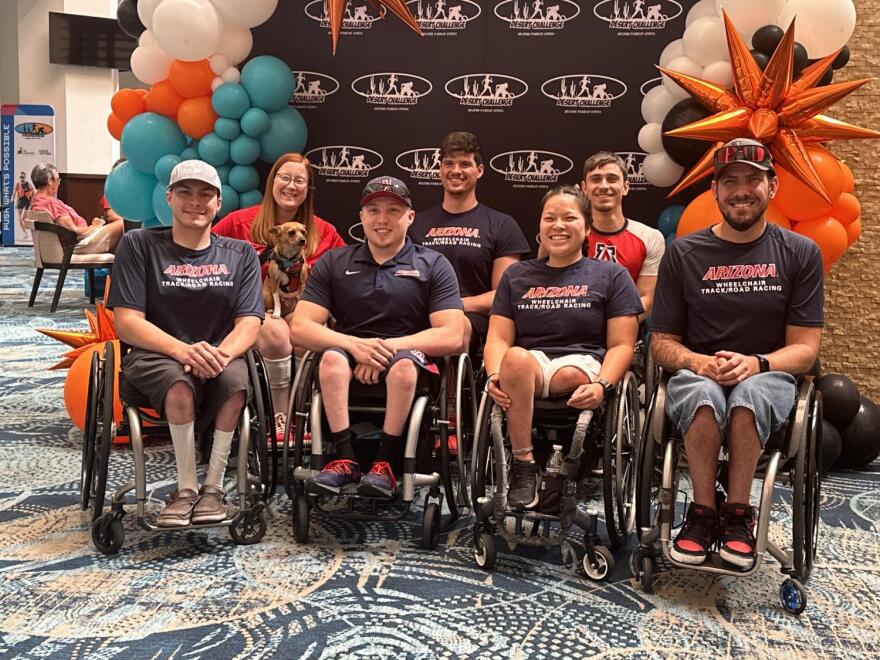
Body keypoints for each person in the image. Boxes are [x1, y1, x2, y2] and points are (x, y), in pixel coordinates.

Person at [651, 138, 824, 569]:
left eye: (752, 180)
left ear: (773, 187)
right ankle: (703, 514)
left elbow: (805, 349)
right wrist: (698, 362)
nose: (741, 190)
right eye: (730, 181)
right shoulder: (682, 254)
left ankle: (739, 515)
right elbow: (660, 342)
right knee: (701, 393)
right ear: (714, 191)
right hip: (700, 371)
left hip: (768, 372)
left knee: (750, 397)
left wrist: (756, 364)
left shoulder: (801, 253)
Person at [107, 160, 264, 527]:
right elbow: (128, 323)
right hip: (156, 354)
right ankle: (186, 488)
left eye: (206, 194)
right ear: (169, 198)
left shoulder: (240, 254)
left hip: (219, 354)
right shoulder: (139, 244)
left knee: (236, 384)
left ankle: (213, 488)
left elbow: (250, 322)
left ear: (218, 203)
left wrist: (220, 354)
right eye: (185, 193)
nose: (196, 202)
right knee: (178, 384)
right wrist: (182, 351)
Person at [290, 176, 464, 497]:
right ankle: (344, 458)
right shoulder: (335, 261)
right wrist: (355, 347)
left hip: (409, 359)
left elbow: (453, 335)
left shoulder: (433, 263)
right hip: (346, 359)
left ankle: (385, 462)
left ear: (410, 217)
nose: (382, 219)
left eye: (393, 210)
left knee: (402, 368)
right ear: (361, 217)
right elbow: (300, 327)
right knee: (330, 359)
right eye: (373, 210)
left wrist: (382, 349)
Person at [484, 186, 642, 510]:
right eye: (549, 218)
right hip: (530, 364)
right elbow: (498, 338)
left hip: (584, 361)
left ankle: (569, 463)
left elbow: (622, 344)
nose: (558, 226)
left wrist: (603, 385)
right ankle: (524, 464)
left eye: (569, 218)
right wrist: (496, 375)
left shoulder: (612, 275)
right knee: (513, 356)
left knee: (571, 374)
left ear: (586, 228)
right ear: (539, 228)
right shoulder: (517, 275)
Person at [213, 153, 346, 441]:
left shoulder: (324, 231)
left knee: (304, 330)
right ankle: (279, 417)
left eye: (300, 180)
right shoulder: (238, 223)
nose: (291, 185)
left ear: (307, 189)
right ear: (273, 180)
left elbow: (346, 274)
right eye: (284, 177)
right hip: (256, 312)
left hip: (303, 309)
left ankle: (304, 416)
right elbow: (206, 254)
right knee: (276, 333)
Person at [409, 131, 531, 352]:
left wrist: (453, 306)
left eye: (465, 164)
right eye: (449, 163)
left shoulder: (502, 225)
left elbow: (504, 293)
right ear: (440, 170)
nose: (456, 171)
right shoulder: (415, 224)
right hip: (418, 314)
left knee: (456, 328)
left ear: (479, 171)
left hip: (471, 319)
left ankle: (448, 387)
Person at [538, 152, 664, 319]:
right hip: (568, 330)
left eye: (612, 179)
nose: (604, 186)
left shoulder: (649, 237)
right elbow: (543, 285)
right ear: (584, 188)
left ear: (625, 187)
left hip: (623, 334)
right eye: (596, 179)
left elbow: (645, 301)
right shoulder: (565, 233)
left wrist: (609, 329)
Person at [27, 163, 123, 253]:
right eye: (58, 179)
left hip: (69, 245)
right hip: (76, 246)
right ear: (49, 180)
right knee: (123, 223)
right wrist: (95, 226)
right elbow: (76, 233)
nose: (59, 183)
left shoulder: (36, 200)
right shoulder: (50, 203)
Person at [13, 172, 33, 239]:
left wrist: (31, 197)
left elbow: (32, 192)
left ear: (25, 177)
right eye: (21, 177)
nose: (22, 178)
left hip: (27, 201)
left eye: (23, 177)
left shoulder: (28, 184)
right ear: (19, 177)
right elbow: (14, 192)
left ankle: (28, 231)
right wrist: (12, 199)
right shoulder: (18, 184)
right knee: (20, 218)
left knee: (23, 218)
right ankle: (25, 233)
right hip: (20, 201)